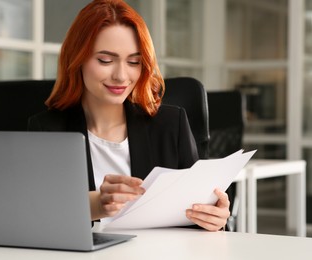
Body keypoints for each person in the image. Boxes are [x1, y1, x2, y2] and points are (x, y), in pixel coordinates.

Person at [28, 0, 230, 231]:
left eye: (134, 62)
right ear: (77, 60)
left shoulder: (170, 125)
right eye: (105, 60)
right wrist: (95, 205)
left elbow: (197, 216)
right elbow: (37, 217)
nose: (122, 76)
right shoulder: (47, 130)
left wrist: (215, 219)